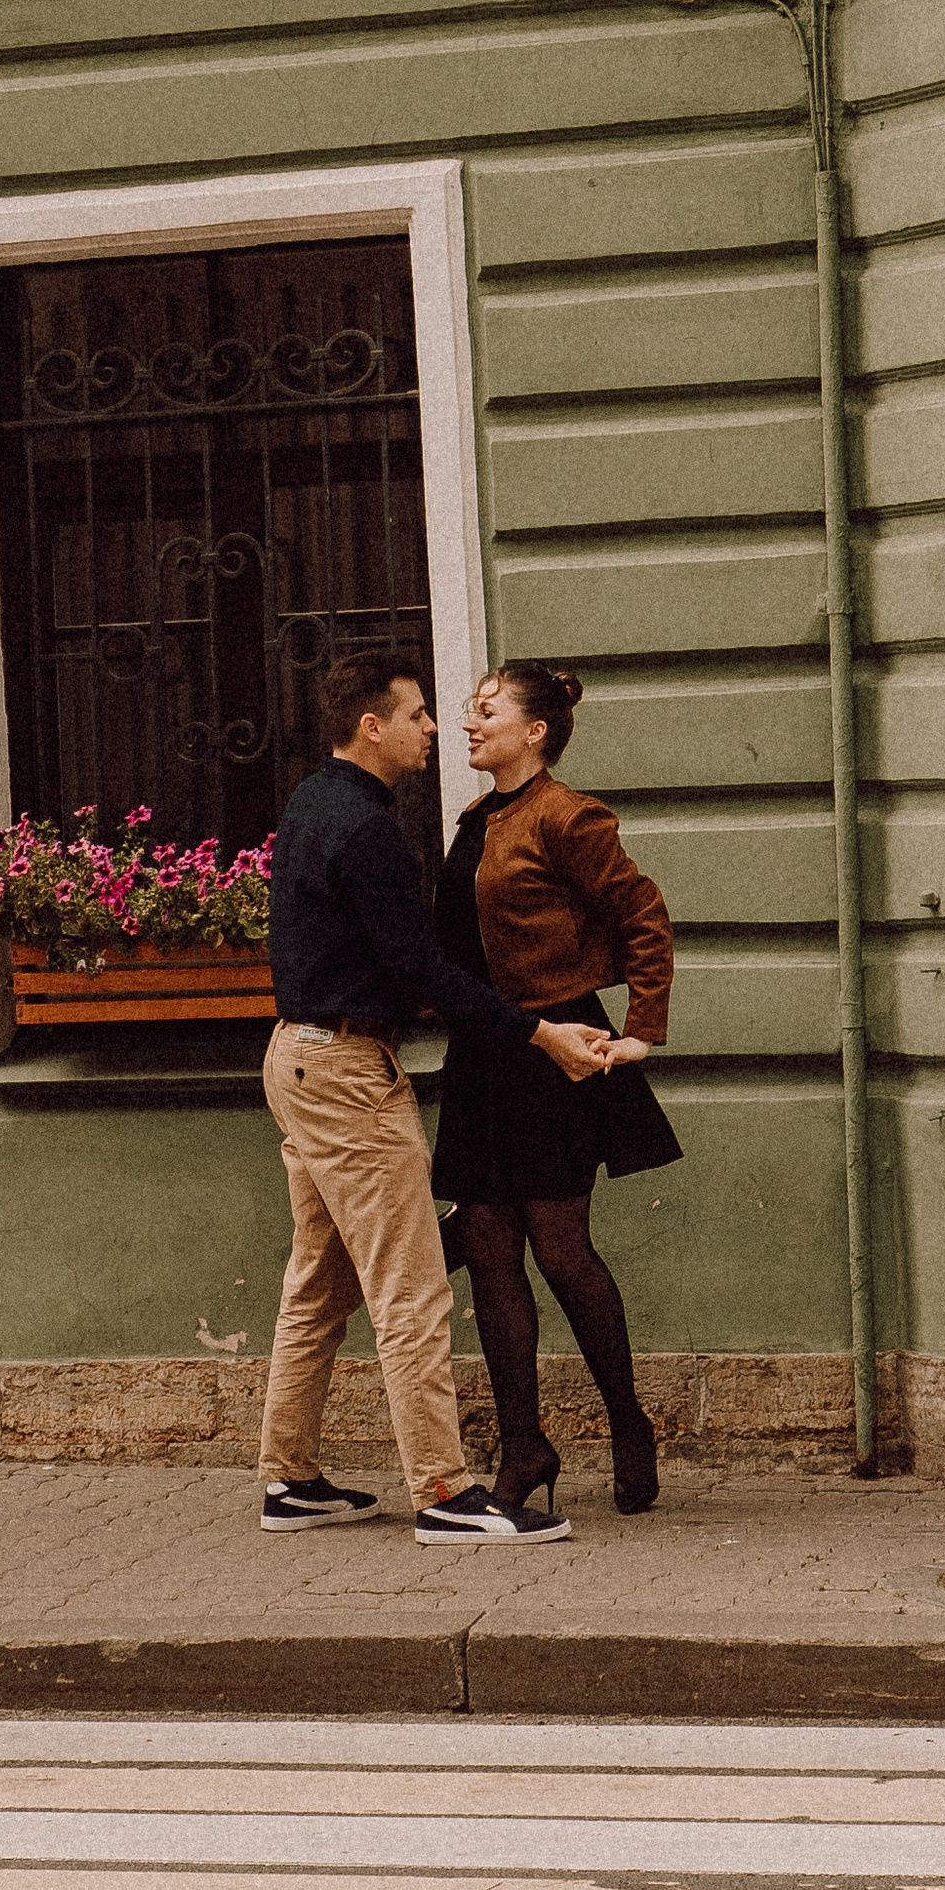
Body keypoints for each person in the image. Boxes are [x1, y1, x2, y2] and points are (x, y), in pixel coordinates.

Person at [255, 649, 612, 1542]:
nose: (433, 728)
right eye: (416, 715)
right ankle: (446, 1494)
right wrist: (539, 1031)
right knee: (411, 1291)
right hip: (344, 1072)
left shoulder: (312, 802)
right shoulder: (368, 829)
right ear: (371, 727)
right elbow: (421, 969)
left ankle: (290, 1480)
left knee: (319, 1285)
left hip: (294, 1059)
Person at [434, 661, 680, 1519]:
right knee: (491, 1252)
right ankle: (524, 1445)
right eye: (469, 710)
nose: (469, 723)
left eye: (487, 712)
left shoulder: (569, 815)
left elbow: (643, 915)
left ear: (535, 731)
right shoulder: (478, 817)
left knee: (560, 1249)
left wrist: (642, 1027)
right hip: (485, 1053)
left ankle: (627, 1422)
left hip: (555, 1048)